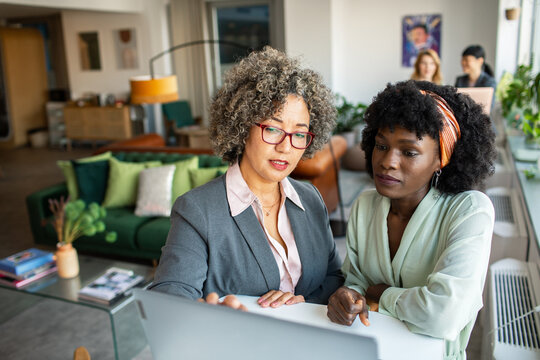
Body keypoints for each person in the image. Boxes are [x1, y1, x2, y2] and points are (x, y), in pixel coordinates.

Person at [149, 46, 343, 309]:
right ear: (241, 127)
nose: (286, 147)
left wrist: (300, 304)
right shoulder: (197, 210)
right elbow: (170, 297)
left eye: (299, 134)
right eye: (273, 129)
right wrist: (212, 314)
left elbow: (333, 277)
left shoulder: (310, 198)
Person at [327, 80, 496, 360]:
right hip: (369, 350)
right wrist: (346, 296)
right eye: (381, 145)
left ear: (441, 158)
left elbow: (444, 315)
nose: (387, 161)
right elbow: (357, 281)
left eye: (409, 152)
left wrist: (383, 296)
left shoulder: (469, 211)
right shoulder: (365, 206)